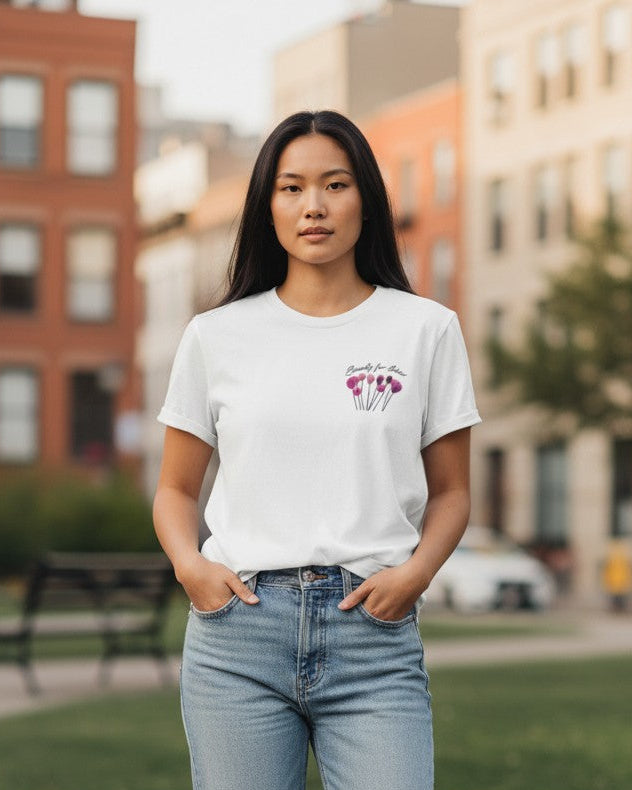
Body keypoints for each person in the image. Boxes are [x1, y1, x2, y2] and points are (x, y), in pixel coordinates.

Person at [153, 109, 482, 790]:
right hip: (237, 634)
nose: (314, 206)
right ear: (266, 205)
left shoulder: (427, 331)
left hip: (374, 634)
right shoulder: (215, 336)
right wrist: (191, 566)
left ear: (366, 197)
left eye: (335, 185)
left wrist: (416, 575)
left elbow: (452, 491)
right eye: (291, 187)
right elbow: (177, 490)